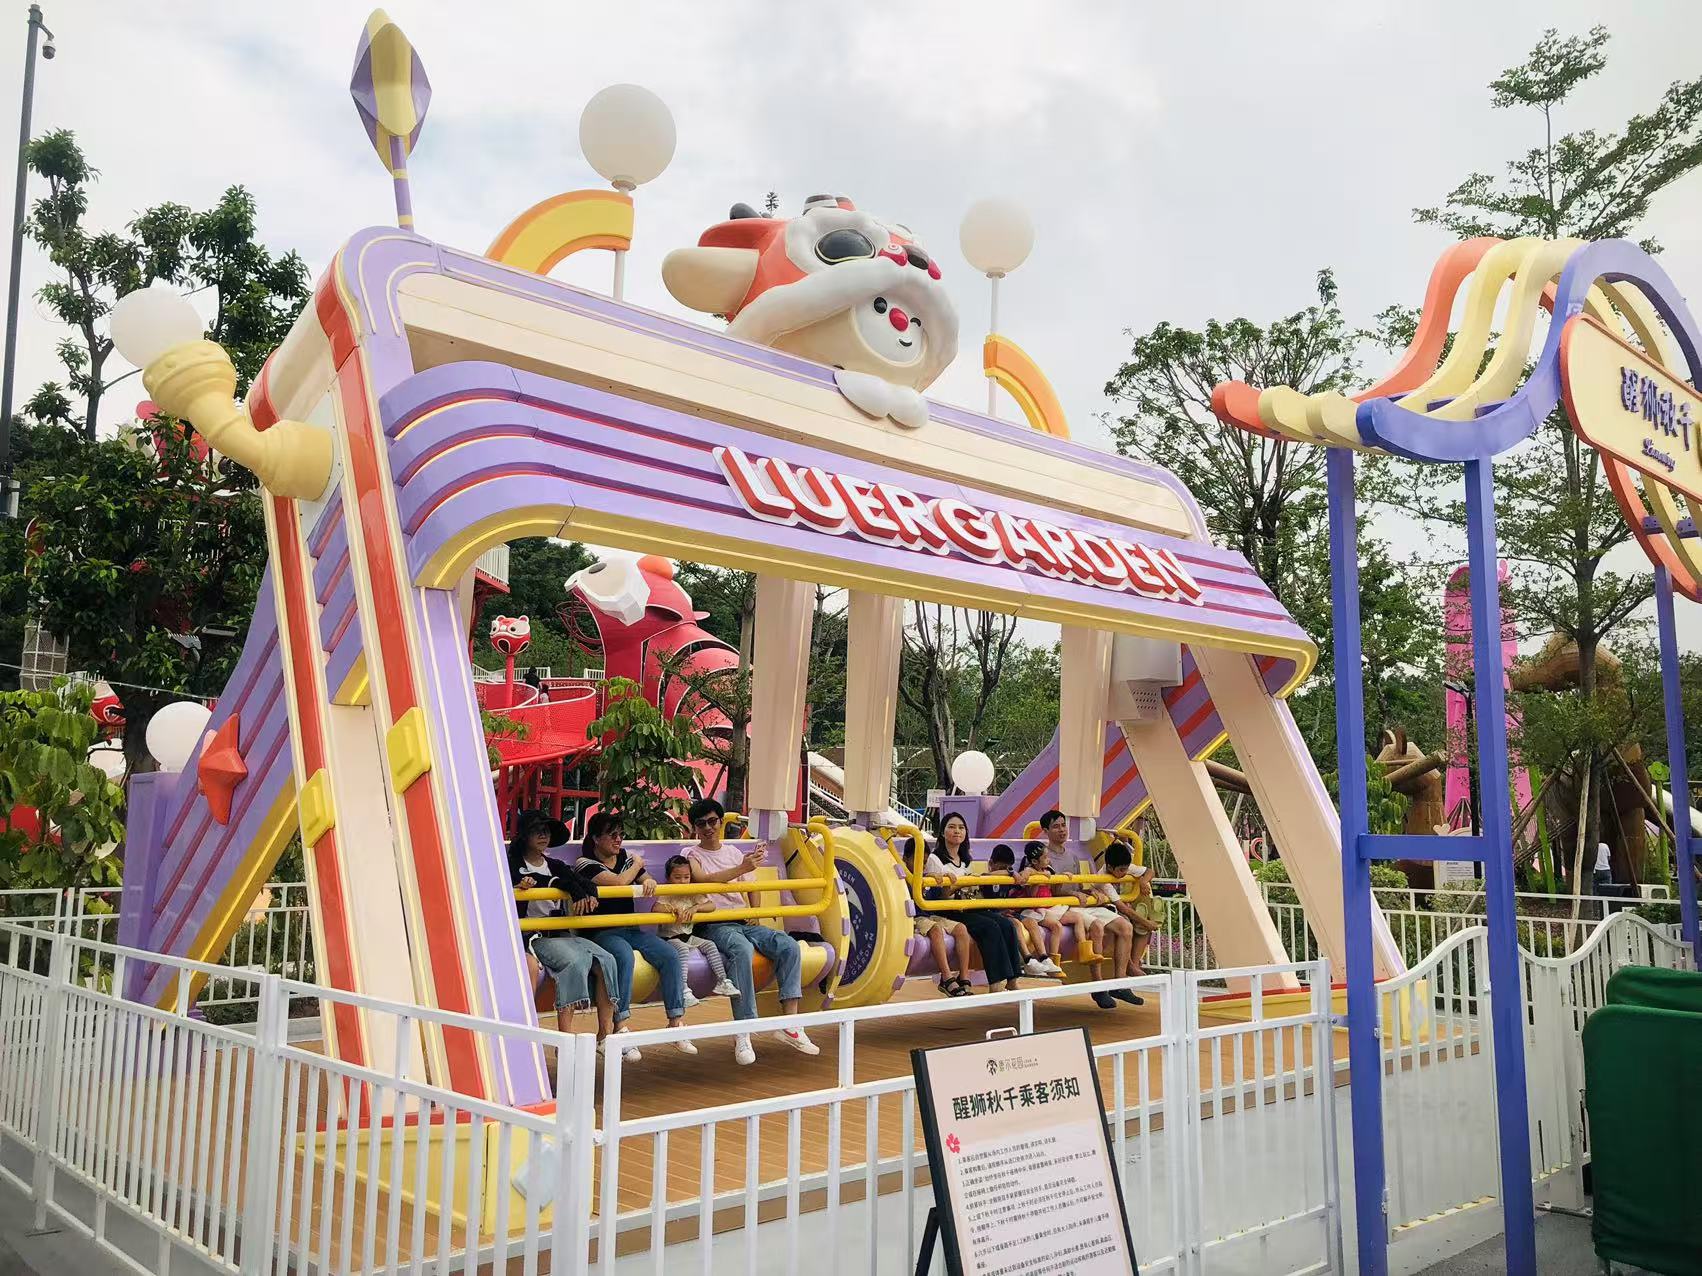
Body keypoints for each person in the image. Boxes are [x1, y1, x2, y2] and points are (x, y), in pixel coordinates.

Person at [685, 797, 820, 1064]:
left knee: (787, 945)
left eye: (712, 821)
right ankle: (744, 1028)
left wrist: (755, 913)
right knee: (741, 950)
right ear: (695, 828)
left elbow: (751, 886)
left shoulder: (734, 853)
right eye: (701, 824)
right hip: (713, 923)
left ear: (720, 822)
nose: (708, 828)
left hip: (742, 920)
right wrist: (742, 868)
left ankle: (790, 1023)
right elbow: (704, 881)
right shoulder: (692, 855)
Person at [575, 812, 696, 1056]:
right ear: (596, 838)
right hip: (601, 931)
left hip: (631, 927)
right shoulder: (584, 863)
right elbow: (619, 883)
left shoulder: (625, 858)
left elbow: (645, 880)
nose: (618, 839)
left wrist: (648, 878)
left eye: (621, 834)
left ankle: (675, 1023)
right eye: (613, 835)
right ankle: (620, 1026)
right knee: (623, 956)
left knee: (670, 955)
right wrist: (638, 865)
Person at [507, 810, 621, 1048]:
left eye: (546, 831)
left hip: (561, 933)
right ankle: (566, 1041)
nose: (543, 835)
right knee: (575, 961)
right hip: (533, 936)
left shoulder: (555, 865)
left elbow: (580, 881)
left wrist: (589, 893)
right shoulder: (512, 865)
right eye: (537, 831)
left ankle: (605, 1035)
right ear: (525, 835)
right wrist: (568, 887)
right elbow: (543, 880)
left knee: (607, 960)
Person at [930, 812, 1025, 993]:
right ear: (942, 832)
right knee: (990, 927)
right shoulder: (935, 859)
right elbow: (941, 894)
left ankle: (1012, 980)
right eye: (951, 827)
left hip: (968, 905)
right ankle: (995, 983)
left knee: (1006, 924)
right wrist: (962, 884)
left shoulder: (966, 860)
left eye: (961, 828)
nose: (957, 831)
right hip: (949, 909)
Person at [657, 854, 742, 999]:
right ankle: (683, 987)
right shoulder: (667, 892)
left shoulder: (692, 893)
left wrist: (696, 908)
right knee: (683, 949)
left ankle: (722, 981)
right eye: (677, 878)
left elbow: (711, 905)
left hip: (688, 936)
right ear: (668, 878)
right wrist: (672, 909)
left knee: (710, 945)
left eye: (686, 877)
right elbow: (656, 908)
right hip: (669, 938)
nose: (682, 882)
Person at [904, 834, 973, 996]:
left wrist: (946, 883)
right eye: (917, 861)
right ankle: (947, 978)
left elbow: (941, 897)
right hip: (915, 918)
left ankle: (964, 977)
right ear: (905, 859)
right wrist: (927, 877)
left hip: (930, 915)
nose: (921, 866)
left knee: (961, 929)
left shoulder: (928, 877)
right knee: (935, 929)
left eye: (924, 862)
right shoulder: (903, 878)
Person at [1076, 853, 1136, 1010]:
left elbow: (1082, 884)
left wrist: (1090, 892)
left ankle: (1120, 983)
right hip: (1071, 905)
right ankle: (1098, 985)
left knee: (1126, 927)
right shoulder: (1048, 858)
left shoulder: (1074, 856)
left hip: (1090, 902)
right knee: (1097, 927)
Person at [984, 843, 1055, 976]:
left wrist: (1030, 872)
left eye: (1008, 867)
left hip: (1007, 912)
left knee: (1031, 922)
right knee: (1016, 923)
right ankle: (1027, 960)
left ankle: (1044, 958)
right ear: (991, 864)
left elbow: (1024, 877)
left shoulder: (1011, 879)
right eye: (1001, 867)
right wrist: (1011, 872)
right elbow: (988, 875)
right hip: (991, 915)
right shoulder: (986, 878)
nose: (1005, 871)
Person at [1019, 840, 1085, 973]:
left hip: (1051, 907)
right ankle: (1053, 961)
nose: (1048, 860)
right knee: (1056, 926)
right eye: (1045, 857)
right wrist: (1040, 878)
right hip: (1036, 910)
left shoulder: (1049, 870)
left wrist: (1062, 878)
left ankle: (1085, 951)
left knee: (1077, 917)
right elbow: (1031, 895)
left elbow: (1055, 890)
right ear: (1035, 861)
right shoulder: (1029, 870)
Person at [1105, 841, 1155, 1002]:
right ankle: (1128, 969)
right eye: (1121, 870)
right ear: (1110, 867)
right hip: (1109, 908)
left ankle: (1134, 963)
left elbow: (1149, 871)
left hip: (1119, 908)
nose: (1125, 873)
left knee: (1139, 925)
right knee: (1126, 923)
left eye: (1126, 869)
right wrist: (1146, 923)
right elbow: (1122, 908)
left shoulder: (1124, 867)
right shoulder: (1103, 879)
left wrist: (1143, 881)